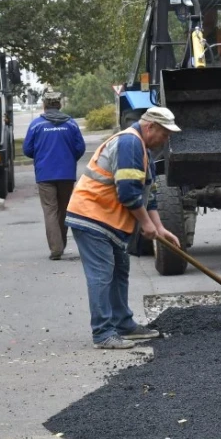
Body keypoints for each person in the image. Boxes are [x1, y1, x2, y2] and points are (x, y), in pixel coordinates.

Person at [66, 107, 183, 349]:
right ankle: (103, 334)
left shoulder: (145, 150)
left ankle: (123, 325)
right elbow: (129, 193)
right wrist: (145, 224)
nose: (167, 139)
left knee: (120, 269)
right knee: (102, 274)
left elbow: (147, 194)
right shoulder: (129, 143)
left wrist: (159, 228)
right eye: (164, 133)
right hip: (92, 216)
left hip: (109, 220)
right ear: (150, 126)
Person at [22, 91, 86, 260]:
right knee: (64, 209)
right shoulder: (71, 124)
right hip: (66, 174)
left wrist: (42, 157)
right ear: (59, 105)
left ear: (44, 105)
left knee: (50, 210)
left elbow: (27, 150)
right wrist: (69, 159)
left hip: (45, 175)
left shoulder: (36, 125)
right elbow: (80, 148)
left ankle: (56, 249)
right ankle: (61, 244)